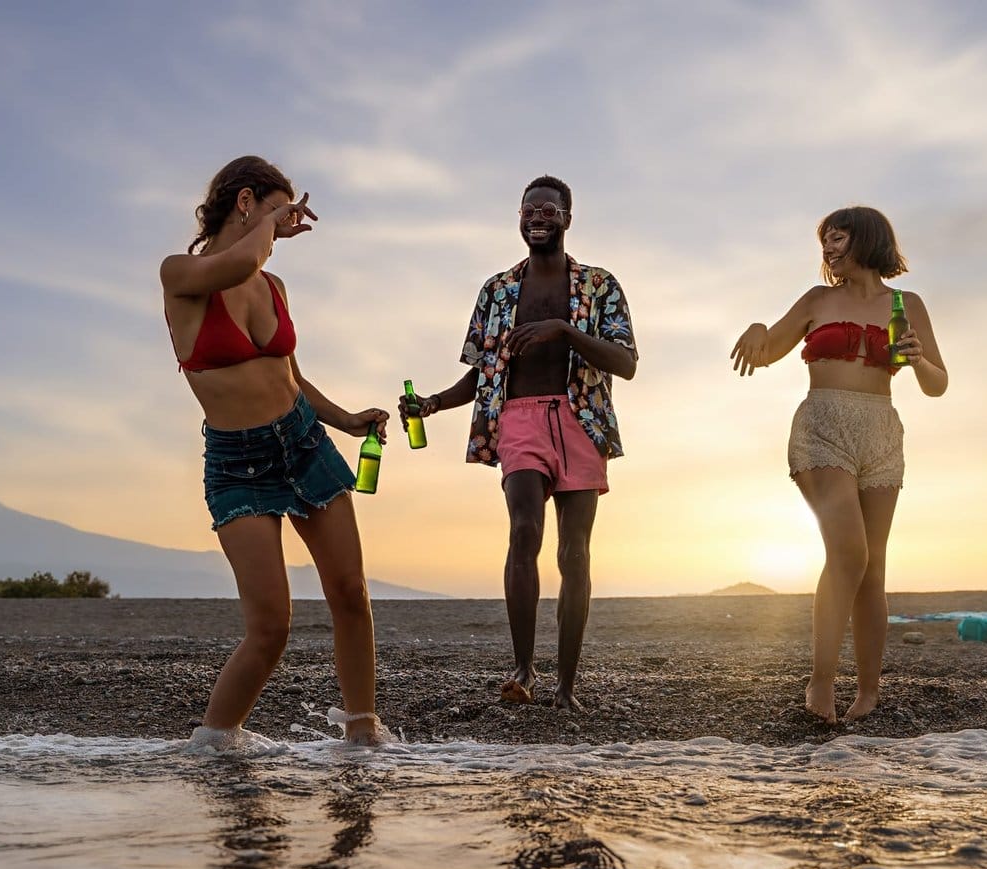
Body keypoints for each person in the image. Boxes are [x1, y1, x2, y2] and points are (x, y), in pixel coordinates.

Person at [160, 156, 390, 746]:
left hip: (304, 442)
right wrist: (272, 226)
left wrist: (347, 420)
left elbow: (290, 377)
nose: (285, 225)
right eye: (276, 209)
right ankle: (213, 746)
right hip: (237, 464)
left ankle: (363, 733)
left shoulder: (273, 286)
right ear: (245, 202)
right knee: (270, 626)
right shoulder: (181, 273)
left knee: (351, 593)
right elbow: (241, 260)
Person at [400, 176, 638, 713]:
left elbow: (625, 363)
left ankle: (566, 686)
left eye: (548, 210)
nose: (537, 218)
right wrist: (431, 404)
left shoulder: (600, 285)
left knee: (574, 553)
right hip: (519, 420)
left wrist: (564, 330)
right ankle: (524, 668)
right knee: (525, 530)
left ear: (567, 219)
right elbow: (481, 374)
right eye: (528, 210)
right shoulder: (498, 290)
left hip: (581, 420)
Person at [730, 206, 948, 725]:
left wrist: (917, 358)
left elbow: (937, 384)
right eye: (824, 241)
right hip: (822, 427)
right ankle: (821, 681)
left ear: (867, 241)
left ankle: (868, 692)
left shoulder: (906, 305)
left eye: (838, 238)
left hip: (882, 432)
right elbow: (767, 352)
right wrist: (758, 327)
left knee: (873, 567)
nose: (828, 249)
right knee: (849, 552)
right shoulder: (817, 300)